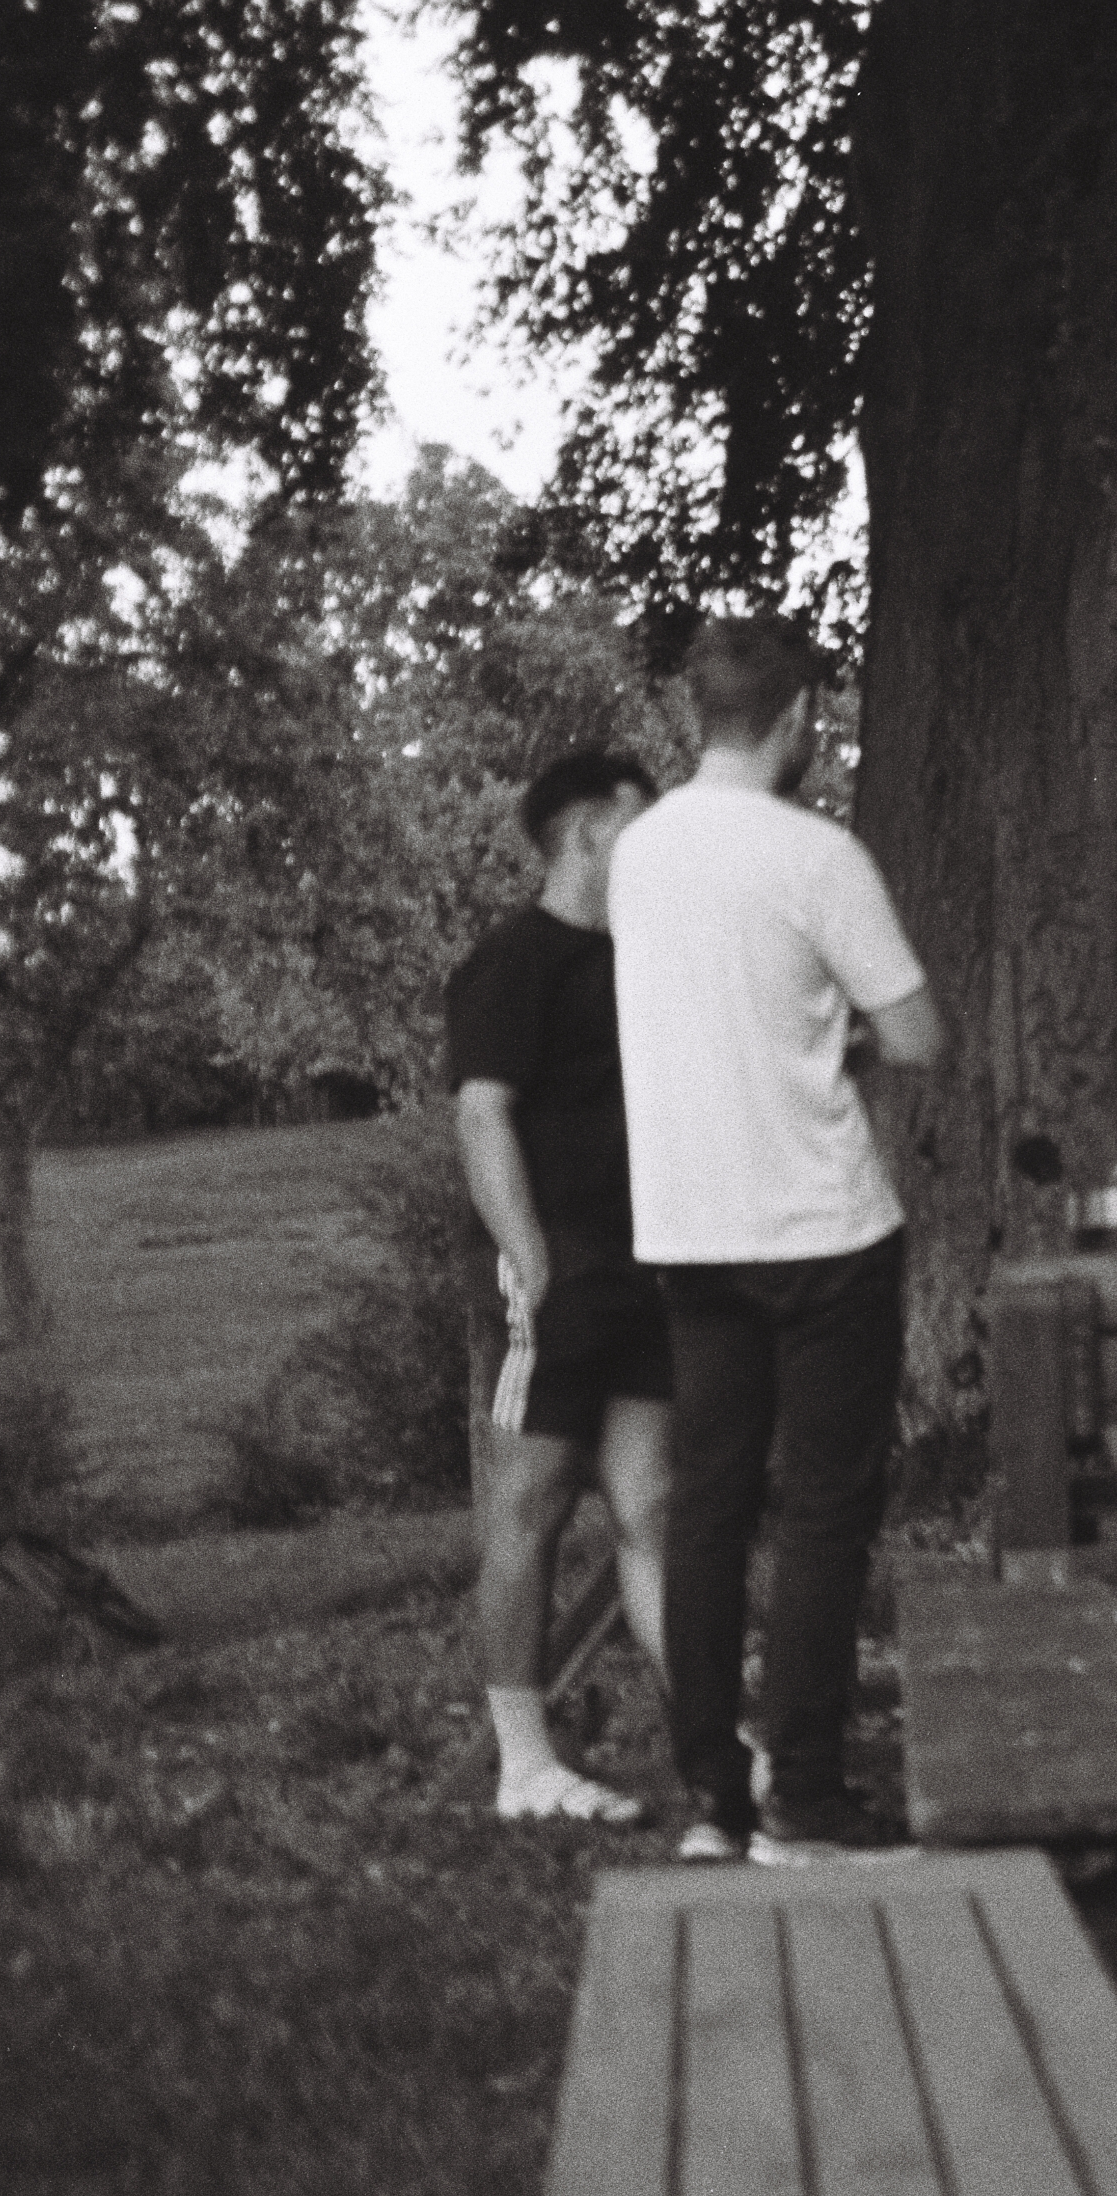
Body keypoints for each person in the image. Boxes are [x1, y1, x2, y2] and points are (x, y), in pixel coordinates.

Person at [608, 616, 943, 1864]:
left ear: (702, 714)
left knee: (707, 1509)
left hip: (689, 1229)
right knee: (820, 1515)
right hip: (821, 1228)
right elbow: (915, 1038)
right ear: (801, 715)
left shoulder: (640, 855)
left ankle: (716, 1798)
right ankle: (805, 1797)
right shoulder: (816, 855)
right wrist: (836, 1039)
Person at [443, 748, 671, 1824]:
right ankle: (523, 1763)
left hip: (653, 1271)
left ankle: (719, 1743)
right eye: (641, 820)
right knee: (528, 1510)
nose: (658, 840)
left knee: (652, 1510)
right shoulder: (515, 963)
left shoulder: (646, 956)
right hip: (564, 1270)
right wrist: (532, 1263)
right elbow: (482, 1112)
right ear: (588, 832)